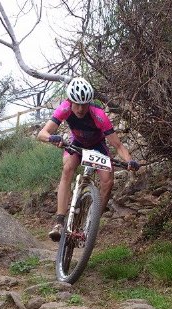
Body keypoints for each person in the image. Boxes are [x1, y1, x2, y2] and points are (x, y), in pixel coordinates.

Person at [37, 77, 140, 241]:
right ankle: (59, 221)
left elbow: (118, 145)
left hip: (97, 146)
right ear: (70, 101)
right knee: (67, 169)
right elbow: (42, 133)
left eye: (84, 104)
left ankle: (92, 223)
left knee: (108, 181)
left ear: (89, 102)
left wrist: (129, 161)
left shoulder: (99, 115)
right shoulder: (65, 108)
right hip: (77, 144)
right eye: (76, 104)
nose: (80, 109)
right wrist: (52, 138)